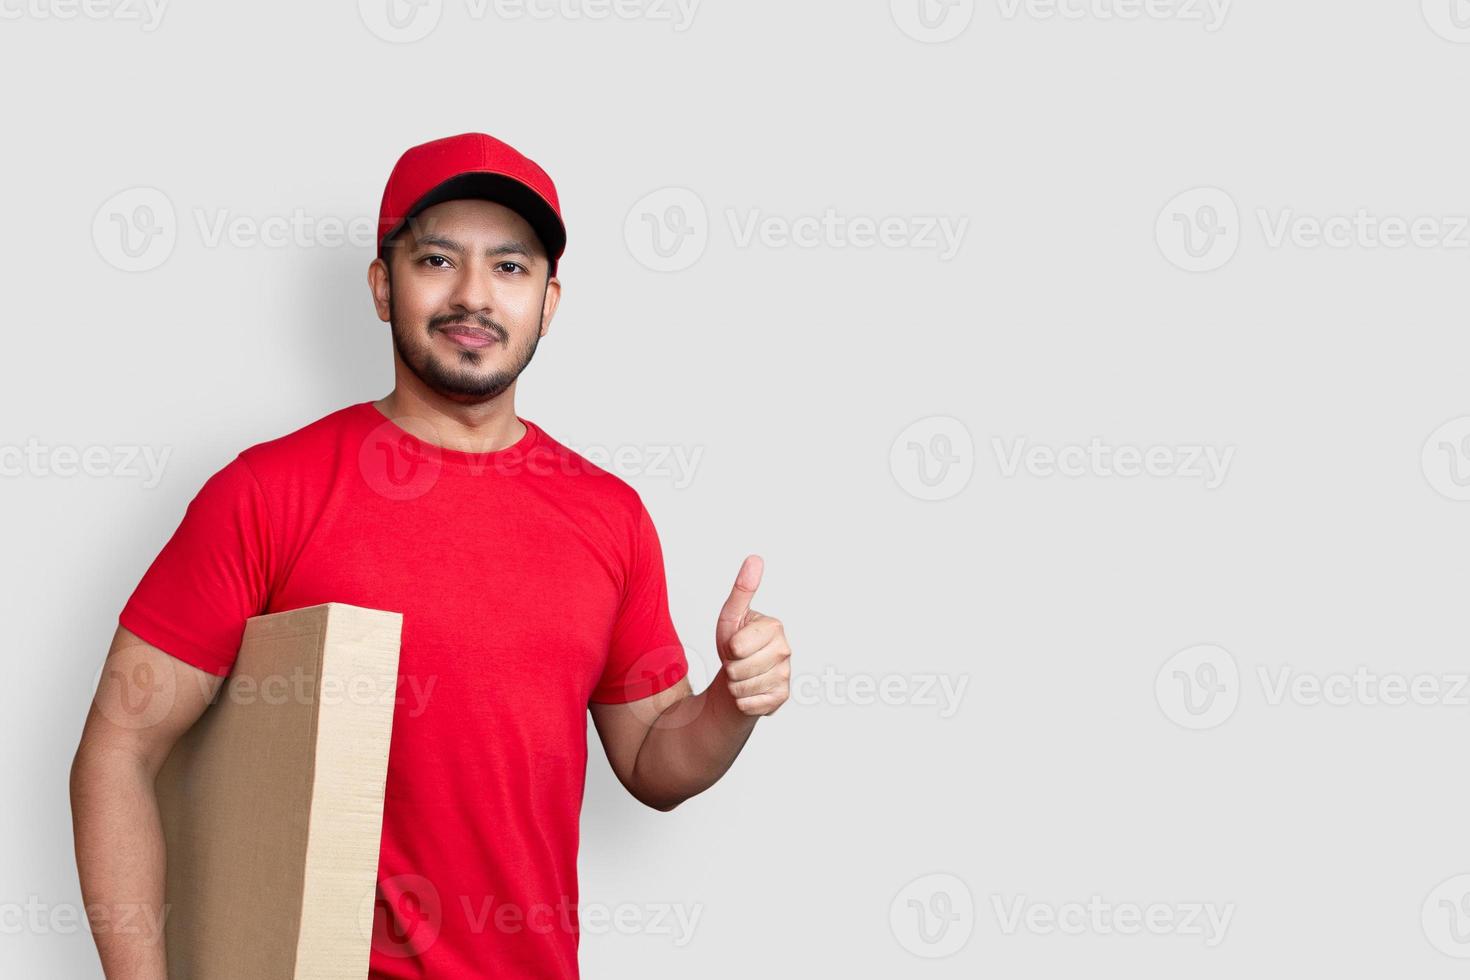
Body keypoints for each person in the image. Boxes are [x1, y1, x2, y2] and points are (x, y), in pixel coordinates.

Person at [69, 131, 793, 979]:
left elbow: (652, 762)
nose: (474, 295)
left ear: (550, 303)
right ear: (383, 286)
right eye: (438, 259)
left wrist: (733, 701)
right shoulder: (266, 494)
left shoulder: (610, 516)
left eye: (511, 268)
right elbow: (119, 747)